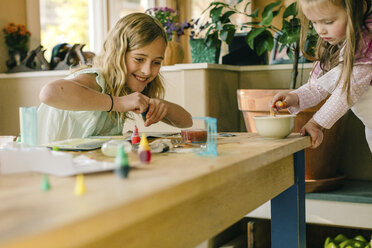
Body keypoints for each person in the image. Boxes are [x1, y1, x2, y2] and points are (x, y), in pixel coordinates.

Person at [38, 13, 193, 145]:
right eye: (139, 59)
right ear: (118, 54)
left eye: (156, 62)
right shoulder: (95, 80)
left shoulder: (126, 86)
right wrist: (119, 103)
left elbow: (186, 121)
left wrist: (163, 106)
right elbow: (49, 93)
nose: (147, 71)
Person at [270, 0, 372, 152]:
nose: (320, 30)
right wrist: (295, 96)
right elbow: (322, 85)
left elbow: (346, 93)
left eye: (328, 22)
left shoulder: (365, 46)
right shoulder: (339, 45)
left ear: (356, 11)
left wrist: (317, 124)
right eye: (314, 22)